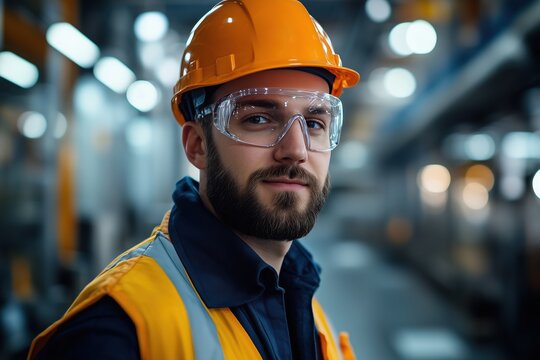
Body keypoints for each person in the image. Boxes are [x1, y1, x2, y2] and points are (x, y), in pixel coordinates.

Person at [28, 0, 359, 359]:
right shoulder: (115, 333)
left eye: (314, 123)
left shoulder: (299, 293)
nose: (296, 150)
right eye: (259, 119)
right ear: (197, 145)